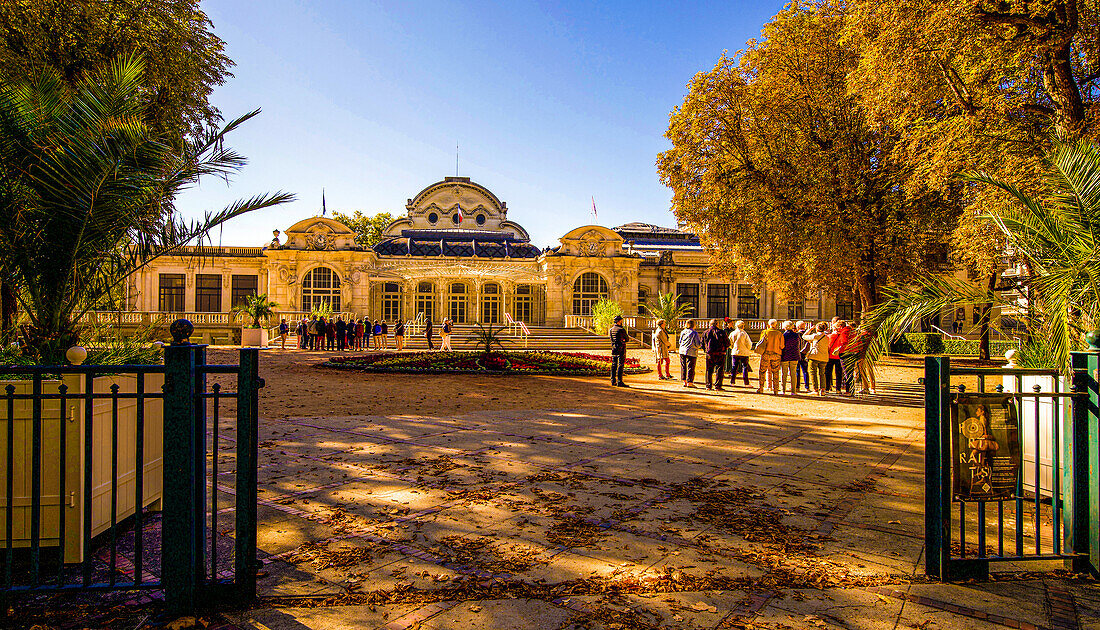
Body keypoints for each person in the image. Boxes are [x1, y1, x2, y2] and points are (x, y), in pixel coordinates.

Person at [755, 319, 783, 395]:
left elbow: (761, 343)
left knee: (762, 371)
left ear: (768, 325)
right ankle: (776, 390)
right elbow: (782, 346)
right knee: (776, 372)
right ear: (776, 325)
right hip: (776, 354)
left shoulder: (764, 332)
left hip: (766, 354)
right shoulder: (779, 334)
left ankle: (761, 388)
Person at [701, 318, 729, 391]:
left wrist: (705, 350)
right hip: (720, 353)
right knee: (719, 370)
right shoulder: (722, 332)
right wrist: (724, 349)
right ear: (717, 324)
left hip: (710, 353)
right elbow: (727, 343)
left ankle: (708, 385)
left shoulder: (705, 332)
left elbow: (702, 343)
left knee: (709, 370)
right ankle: (718, 386)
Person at [803, 322, 830, 395]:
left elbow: (804, 336)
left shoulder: (815, 336)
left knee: (813, 372)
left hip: (815, 356)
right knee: (822, 373)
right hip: (824, 357)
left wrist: (810, 329)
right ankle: (823, 389)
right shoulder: (827, 337)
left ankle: (815, 389)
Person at [678, 319, 702, 388]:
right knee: (691, 367)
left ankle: (684, 381)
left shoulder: (683, 332)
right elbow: (697, 343)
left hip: (682, 350)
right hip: (691, 351)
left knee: (683, 366)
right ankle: (690, 382)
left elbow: (680, 341)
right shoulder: (694, 333)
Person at [728, 320, 752, 386]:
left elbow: (730, 342)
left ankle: (732, 382)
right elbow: (749, 343)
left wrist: (732, 347)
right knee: (745, 367)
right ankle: (746, 383)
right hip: (744, 352)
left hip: (735, 352)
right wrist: (748, 349)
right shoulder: (744, 334)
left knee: (734, 367)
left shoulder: (733, 333)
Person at [779, 320, 801, 394]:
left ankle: (783, 390)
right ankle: (793, 391)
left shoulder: (783, 335)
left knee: (784, 374)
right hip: (794, 355)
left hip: (785, 355)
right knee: (793, 374)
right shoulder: (796, 335)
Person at [608, 315, 629, 387]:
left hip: (614, 347)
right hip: (621, 347)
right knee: (620, 364)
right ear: (619, 321)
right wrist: (623, 340)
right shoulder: (621, 329)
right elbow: (627, 339)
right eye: (621, 320)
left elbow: (611, 339)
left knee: (614, 364)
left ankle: (613, 380)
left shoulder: (611, 329)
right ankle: (619, 381)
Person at [795, 320, 810, 391]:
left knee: (797, 370)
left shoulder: (796, 335)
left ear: (798, 327)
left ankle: (797, 386)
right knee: (805, 371)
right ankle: (807, 387)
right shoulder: (808, 335)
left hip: (797, 353)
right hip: (804, 354)